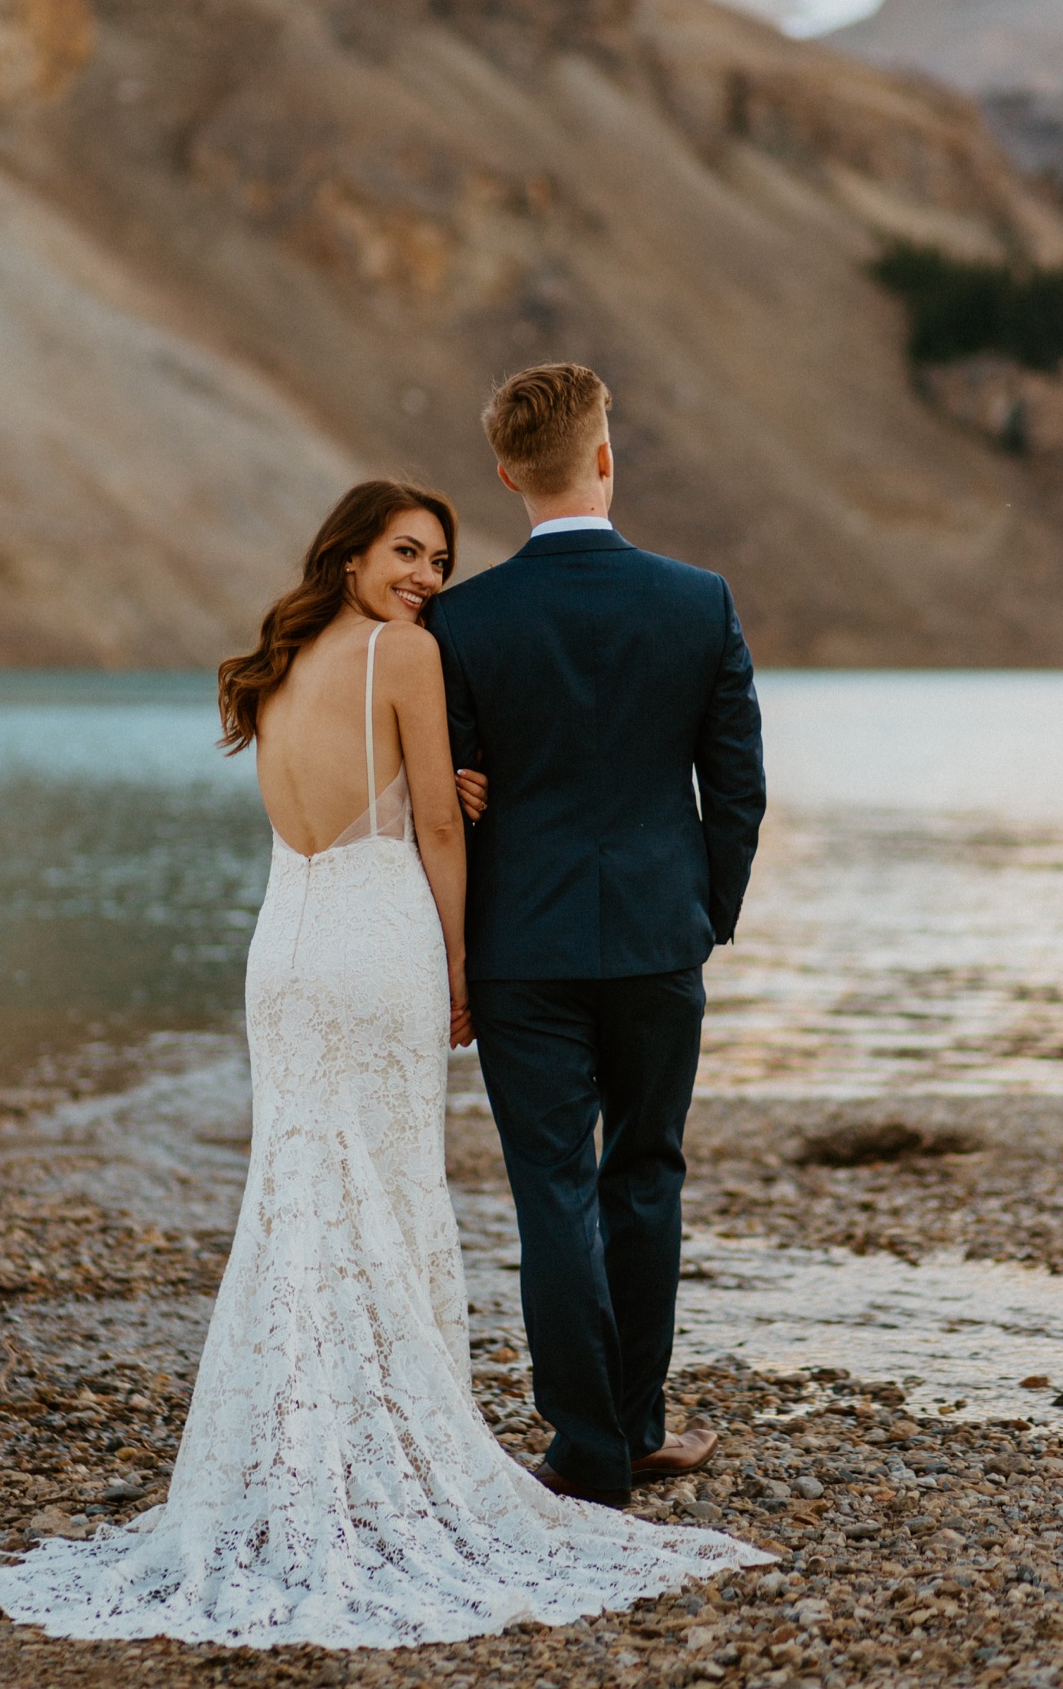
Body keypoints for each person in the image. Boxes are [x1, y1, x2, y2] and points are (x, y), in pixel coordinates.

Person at [0, 476, 765, 1650]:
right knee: (387, 1193)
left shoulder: (275, 664)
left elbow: (356, 803)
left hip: (282, 950)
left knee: (298, 1197)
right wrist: (456, 963)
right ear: (349, 554)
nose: (426, 580)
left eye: (437, 561)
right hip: (375, 946)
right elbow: (436, 828)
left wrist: (443, 790)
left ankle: (287, 1450)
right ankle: (394, 1447)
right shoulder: (402, 654)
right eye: (406, 553)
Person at [426, 363, 766, 1508]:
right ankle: (637, 1427)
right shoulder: (699, 601)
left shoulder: (460, 619)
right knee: (647, 1174)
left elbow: (451, 803)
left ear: (508, 473)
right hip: (660, 941)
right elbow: (738, 788)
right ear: (606, 457)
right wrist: (707, 914)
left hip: (520, 946)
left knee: (553, 1190)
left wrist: (459, 951)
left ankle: (584, 1449)